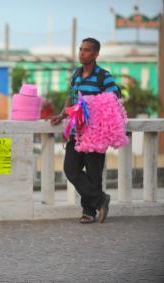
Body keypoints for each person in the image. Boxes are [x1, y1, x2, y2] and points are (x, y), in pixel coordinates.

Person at [48, 38, 120, 224]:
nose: (82, 53)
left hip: (96, 134)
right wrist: (62, 115)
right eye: (80, 49)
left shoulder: (104, 76)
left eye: (87, 50)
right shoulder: (76, 74)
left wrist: (90, 105)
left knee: (94, 174)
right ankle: (101, 199)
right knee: (70, 169)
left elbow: (114, 98)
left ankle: (89, 212)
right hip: (76, 133)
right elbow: (71, 98)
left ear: (96, 54)